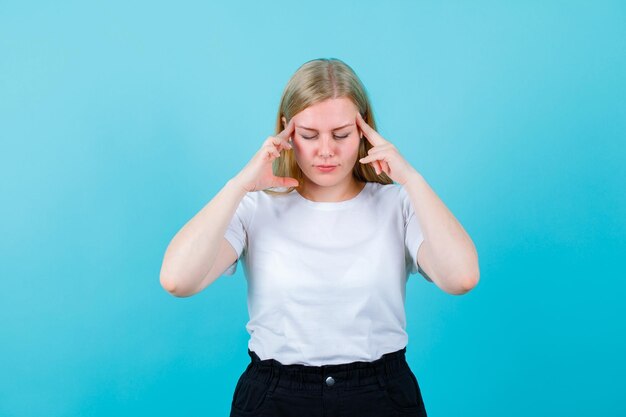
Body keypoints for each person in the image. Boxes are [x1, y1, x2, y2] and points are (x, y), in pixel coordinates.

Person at [159, 58, 479, 417]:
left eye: (341, 134)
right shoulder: (253, 208)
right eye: (309, 135)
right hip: (275, 397)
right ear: (287, 133)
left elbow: (462, 277)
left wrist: (413, 180)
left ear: (364, 131)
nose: (326, 150)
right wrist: (238, 186)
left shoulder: (397, 205)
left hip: (380, 396)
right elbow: (176, 280)